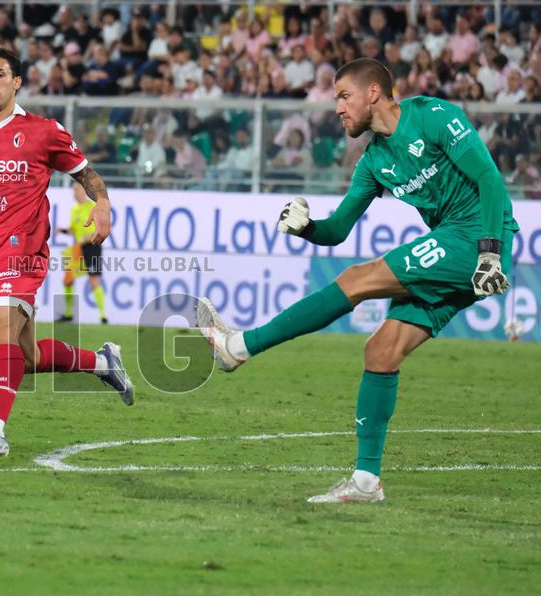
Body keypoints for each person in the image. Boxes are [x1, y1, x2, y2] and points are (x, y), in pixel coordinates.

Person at [197, 58, 519, 503]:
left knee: (358, 278)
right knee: (380, 351)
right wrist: (307, 228)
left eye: (344, 97)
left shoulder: (433, 116)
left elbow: (489, 179)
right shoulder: (373, 162)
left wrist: (489, 253)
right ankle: (367, 482)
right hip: (455, 244)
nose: (338, 109)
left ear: (373, 93)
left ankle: (238, 347)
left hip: (477, 235)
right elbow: (337, 230)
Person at [0, 46, 133, 460]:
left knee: (2, 329)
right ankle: (102, 362)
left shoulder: (43, 131)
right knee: (26, 356)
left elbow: (86, 173)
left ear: (17, 82)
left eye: (0, 74)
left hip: (24, 249)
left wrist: (102, 203)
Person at [57, 182, 108, 324]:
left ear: (85, 191)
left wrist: (91, 235)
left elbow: (102, 226)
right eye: (74, 190)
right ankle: (68, 314)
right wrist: (62, 230)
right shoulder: (74, 209)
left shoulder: (92, 207)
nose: (75, 192)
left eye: (78, 189)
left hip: (92, 246)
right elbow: (73, 230)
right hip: (78, 247)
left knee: (93, 280)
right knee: (68, 280)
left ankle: (103, 316)